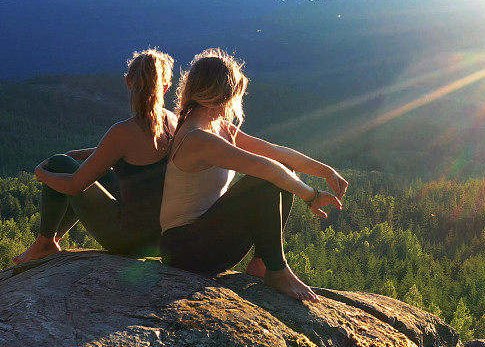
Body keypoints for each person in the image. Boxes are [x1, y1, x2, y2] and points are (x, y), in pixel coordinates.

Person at [159, 48, 347, 303]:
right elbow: (268, 169)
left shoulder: (217, 128)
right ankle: (276, 270)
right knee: (266, 181)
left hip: (203, 240)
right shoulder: (197, 137)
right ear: (224, 94)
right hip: (184, 250)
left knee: (283, 172)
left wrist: (325, 171)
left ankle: (262, 263)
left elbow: (275, 153)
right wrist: (311, 195)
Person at [13, 49, 176, 264]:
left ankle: (44, 243)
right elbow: (133, 153)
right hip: (159, 237)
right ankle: (51, 239)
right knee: (83, 166)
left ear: (128, 81)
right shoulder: (174, 122)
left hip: (127, 240)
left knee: (59, 164)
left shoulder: (123, 131)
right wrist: (83, 155)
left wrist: (40, 173)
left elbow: (73, 186)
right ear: (166, 86)